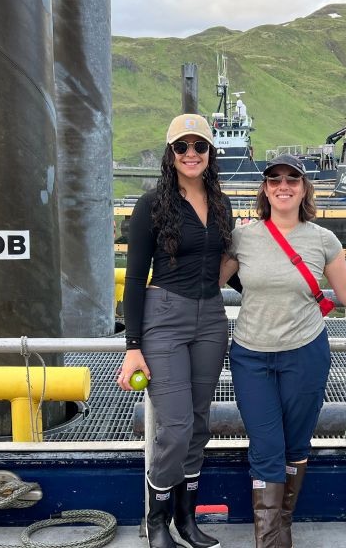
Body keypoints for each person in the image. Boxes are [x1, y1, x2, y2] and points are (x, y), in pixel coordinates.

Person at [219, 154, 346, 548]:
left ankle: (281, 531)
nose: (283, 187)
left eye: (291, 180)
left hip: (305, 354)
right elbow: (206, 280)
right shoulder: (242, 237)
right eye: (274, 180)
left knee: (296, 446)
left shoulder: (322, 240)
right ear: (265, 189)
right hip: (251, 357)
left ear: (304, 189)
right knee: (267, 449)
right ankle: (271, 542)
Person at [119, 113, 234, 548]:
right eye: (181, 147)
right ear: (170, 155)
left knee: (200, 424)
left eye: (199, 146)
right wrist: (133, 345)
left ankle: (187, 520)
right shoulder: (153, 204)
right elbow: (133, 278)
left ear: (210, 153)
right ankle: (156, 520)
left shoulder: (221, 204)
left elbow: (231, 266)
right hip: (164, 315)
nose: (191, 154)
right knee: (176, 426)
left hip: (212, 318)